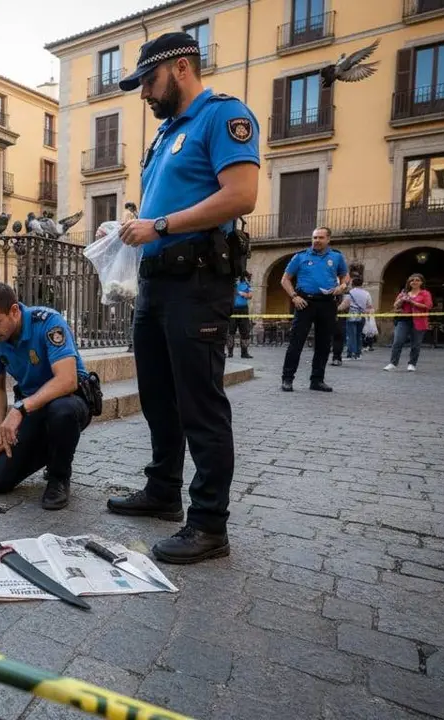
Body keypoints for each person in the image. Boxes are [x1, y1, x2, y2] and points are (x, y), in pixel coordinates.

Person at [107, 32, 259, 564]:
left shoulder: (223, 115)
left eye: (149, 80)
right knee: (157, 397)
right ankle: (163, 490)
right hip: (156, 282)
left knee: (201, 404)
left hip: (197, 280)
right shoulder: (166, 132)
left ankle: (209, 524)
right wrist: (137, 227)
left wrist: (161, 224)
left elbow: (241, 195)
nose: (144, 93)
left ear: (179, 68)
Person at [0, 282, 94, 510]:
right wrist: (2, 434)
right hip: (33, 408)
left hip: (71, 401)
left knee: (61, 411)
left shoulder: (48, 322)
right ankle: (52, 450)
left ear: (14, 311)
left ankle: (59, 476)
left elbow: (67, 380)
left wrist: (19, 409)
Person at [279, 227, 349, 392]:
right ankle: (287, 379)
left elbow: (345, 276)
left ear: (328, 239)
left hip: (328, 303)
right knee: (296, 342)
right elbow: (285, 279)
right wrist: (294, 296)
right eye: (314, 237)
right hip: (305, 302)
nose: (317, 240)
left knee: (324, 344)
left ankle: (317, 380)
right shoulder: (300, 256)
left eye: (320, 238)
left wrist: (343, 285)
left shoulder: (337, 256)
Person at [384, 273, 433, 372]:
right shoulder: (404, 293)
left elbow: (428, 306)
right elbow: (395, 305)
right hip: (403, 320)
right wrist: (401, 300)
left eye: (417, 280)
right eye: (412, 280)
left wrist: (412, 302)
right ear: (409, 282)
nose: (414, 282)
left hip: (419, 320)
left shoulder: (425, 293)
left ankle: (412, 364)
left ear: (421, 282)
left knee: (416, 344)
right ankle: (393, 363)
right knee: (397, 341)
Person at [344, 277, 373, 360]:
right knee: (359, 335)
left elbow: (345, 304)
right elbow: (369, 305)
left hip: (351, 315)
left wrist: (337, 309)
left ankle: (351, 353)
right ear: (361, 284)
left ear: (353, 283)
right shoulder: (366, 293)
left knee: (351, 335)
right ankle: (358, 353)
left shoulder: (350, 293)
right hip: (361, 316)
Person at [228, 272, 253, 360]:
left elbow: (250, 296)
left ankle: (244, 353)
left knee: (245, 332)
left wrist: (243, 294)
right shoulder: (232, 284)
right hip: (233, 309)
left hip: (243, 309)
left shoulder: (247, 284)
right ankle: (230, 352)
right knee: (231, 332)